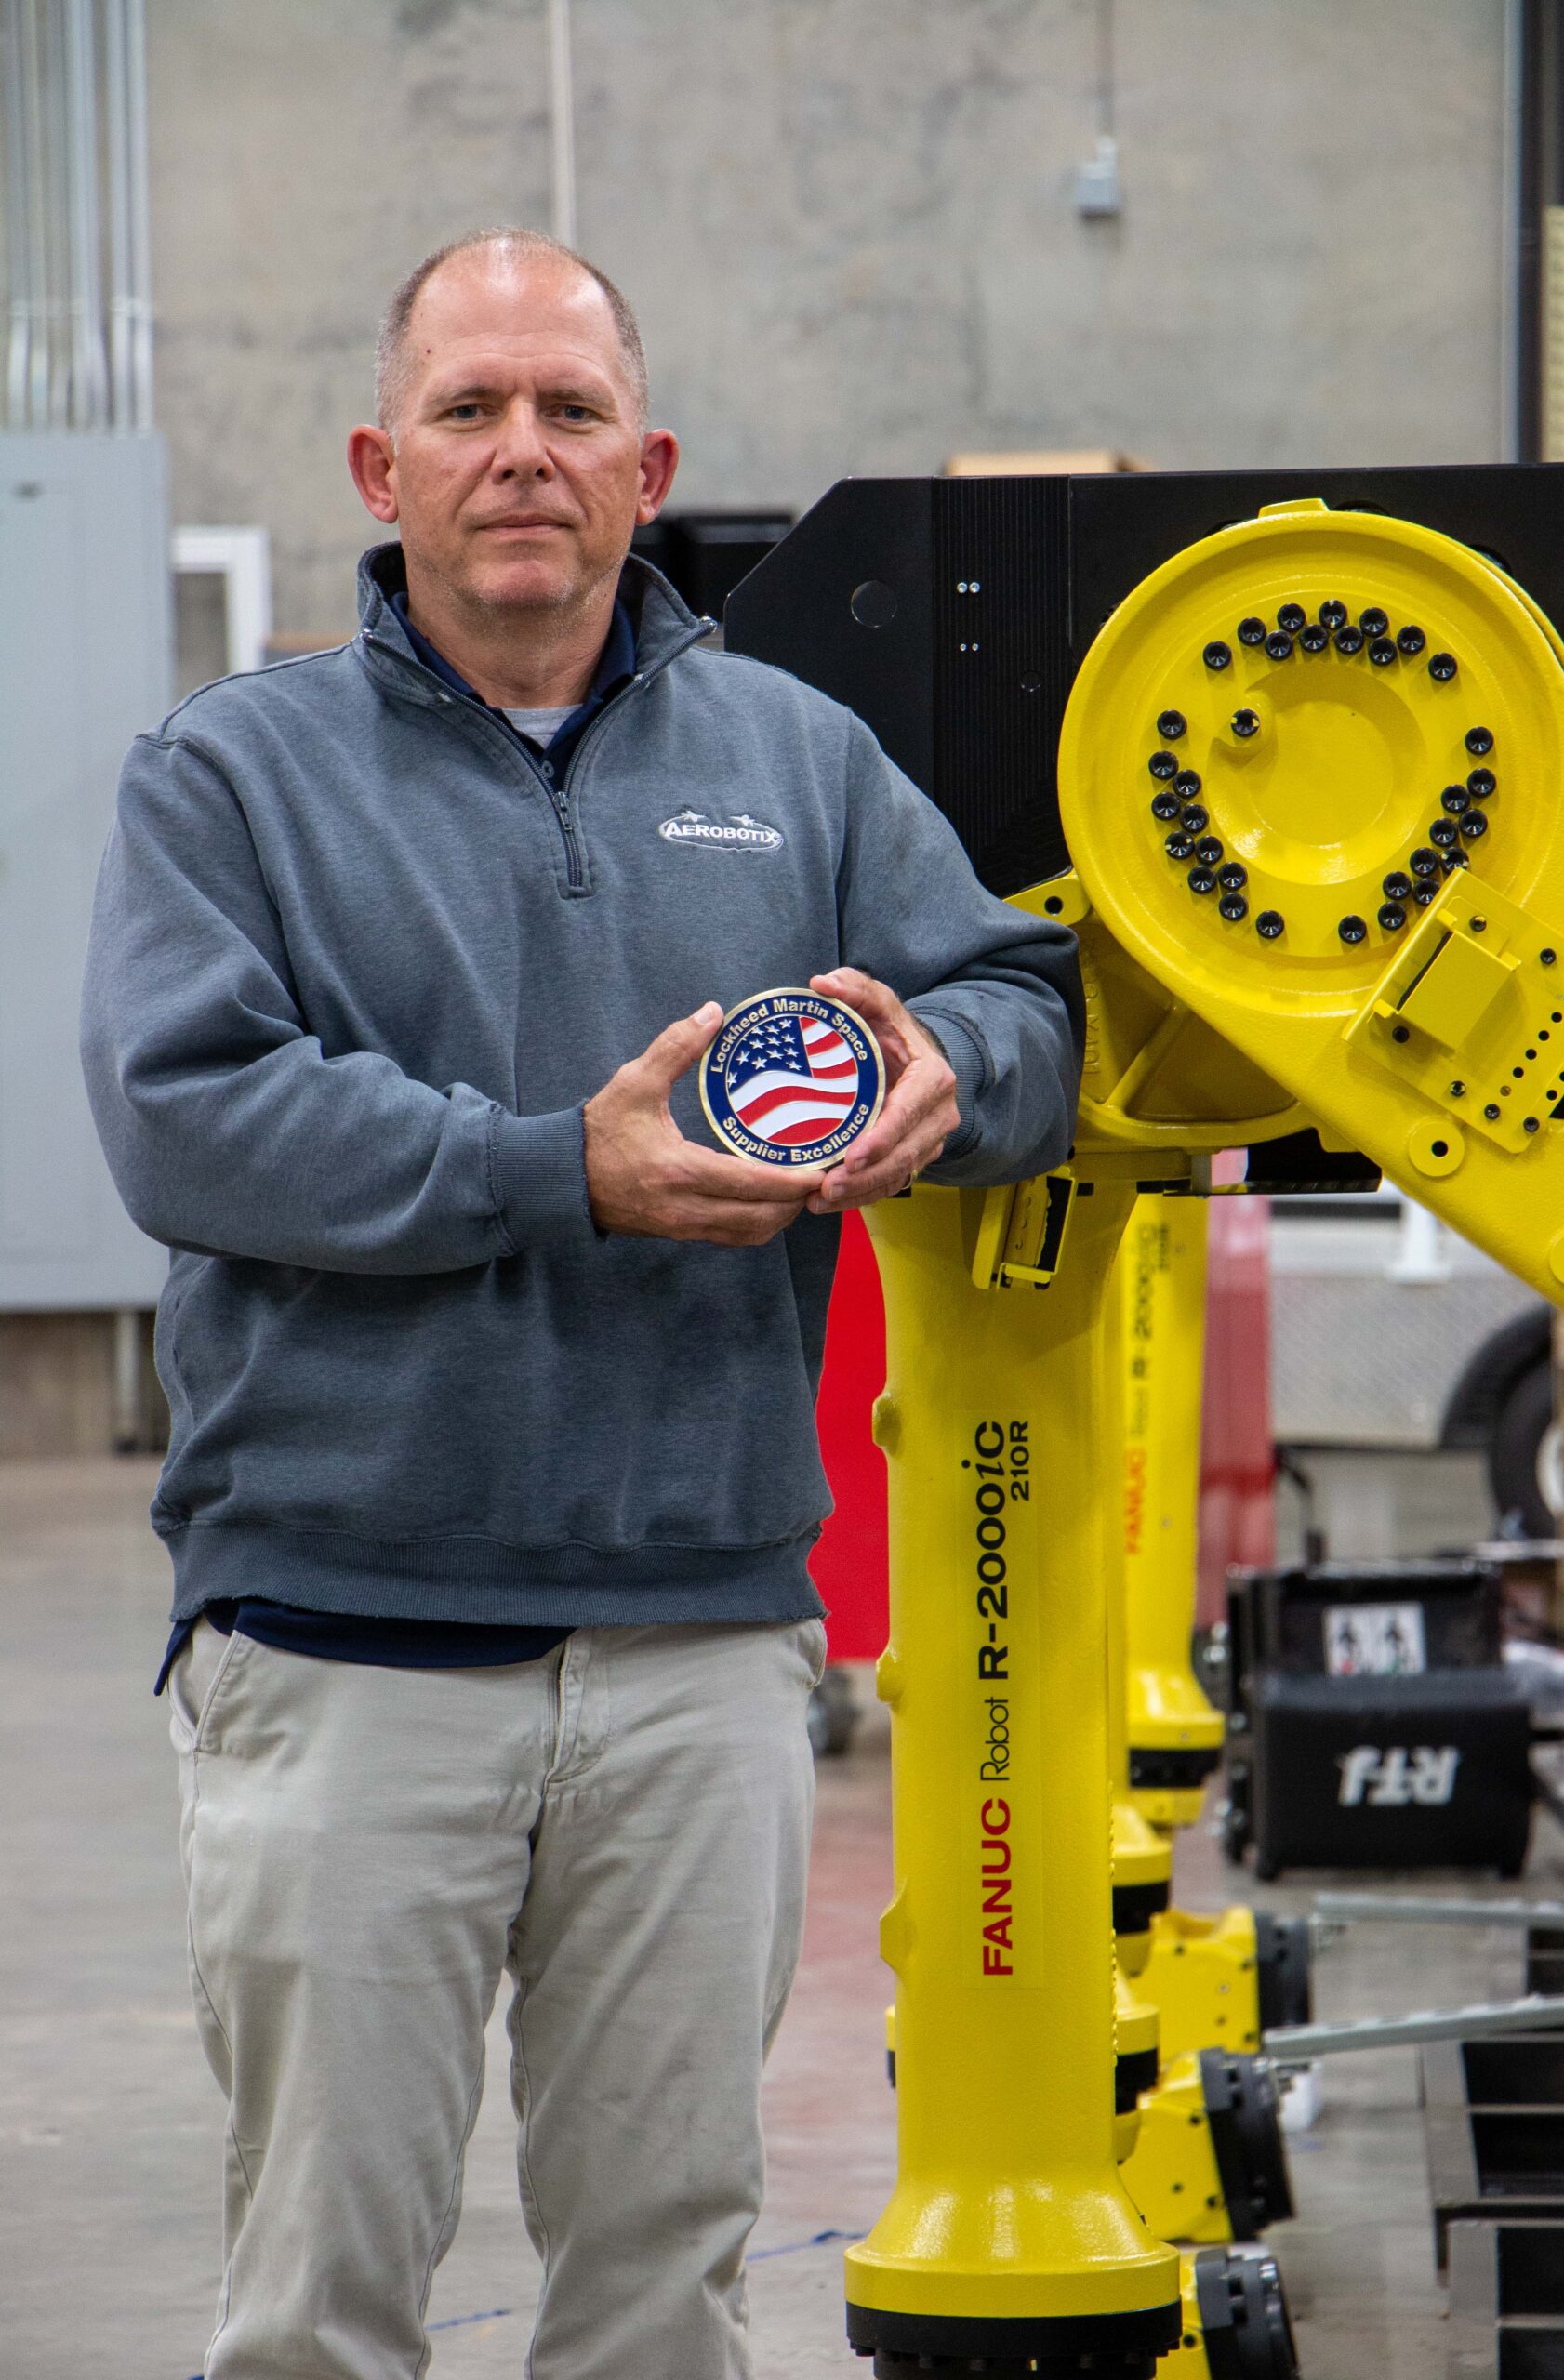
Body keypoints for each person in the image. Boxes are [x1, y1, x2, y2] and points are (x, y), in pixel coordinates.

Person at [80, 226, 1083, 2380]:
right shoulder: (231, 778)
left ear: (649, 463)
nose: (519, 453)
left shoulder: (795, 759)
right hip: (344, 1640)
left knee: (658, 2290)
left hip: (700, 1648)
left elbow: (1017, 988)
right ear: (381, 461)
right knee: (321, 2304)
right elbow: (191, 1120)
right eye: (468, 411)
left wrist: (947, 1079)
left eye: (567, 412)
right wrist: (563, 1170)